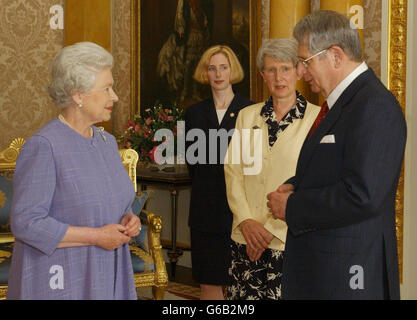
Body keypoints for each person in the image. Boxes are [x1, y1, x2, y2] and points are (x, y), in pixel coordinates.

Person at [267, 10, 407, 299]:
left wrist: (293, 206)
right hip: (326, 272)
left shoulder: (374, 106)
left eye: (305, 61)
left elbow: (362, 194)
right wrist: (297, 184)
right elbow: (336, 168)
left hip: (348, 276)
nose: (301, 72)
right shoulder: (343, 103)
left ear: (335, 55)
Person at [7, 42, 140, 300]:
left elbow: (112, 201)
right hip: (62, 277)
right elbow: (26, 223)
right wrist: (97, 236)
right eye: (107, 88)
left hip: (108, 269)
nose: (115, 96)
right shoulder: (44, 146)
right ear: (78, 94)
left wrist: (128, 218)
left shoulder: (107, 143)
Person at [224, 38, 320, 300]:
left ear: (299, 70)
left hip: (288, 239)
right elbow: (233, 172)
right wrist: (246, 222)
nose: (279, 77)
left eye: (286, 68)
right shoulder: (247, 116)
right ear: (261, 75)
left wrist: (270, 230)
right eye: (271, 70)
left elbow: (312, 181)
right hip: (245, 238)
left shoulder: (317, 118)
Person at [185, 45, 253, 300]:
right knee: (209, 283)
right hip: (205, 211)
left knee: (241, 284)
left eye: (223, 67)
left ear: (232, 69)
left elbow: (253, 164)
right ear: (205, 73)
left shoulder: (250, 111)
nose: (218, 73)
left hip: (240, 213)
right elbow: (194, 165)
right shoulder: (193, 113)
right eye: (211, 68)